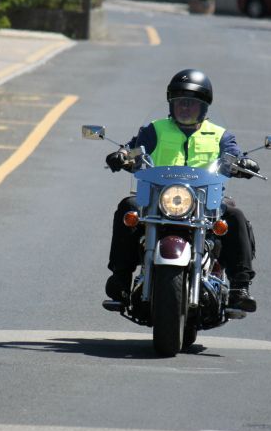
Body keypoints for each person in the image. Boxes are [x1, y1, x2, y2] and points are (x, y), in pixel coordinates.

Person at [104, 69, 259, 312]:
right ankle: (120, 279)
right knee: (128, 208)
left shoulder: (220, 135)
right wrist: (122, 154)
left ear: (203, 107)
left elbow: (234, 154)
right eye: (180, 102)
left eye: (191, 103)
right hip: (158, 200)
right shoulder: (155, 130)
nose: (185, 108)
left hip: (206, 203)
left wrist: (243, 163)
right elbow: (135, 148)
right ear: (171, 104)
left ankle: (240, 287)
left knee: (235, 216)